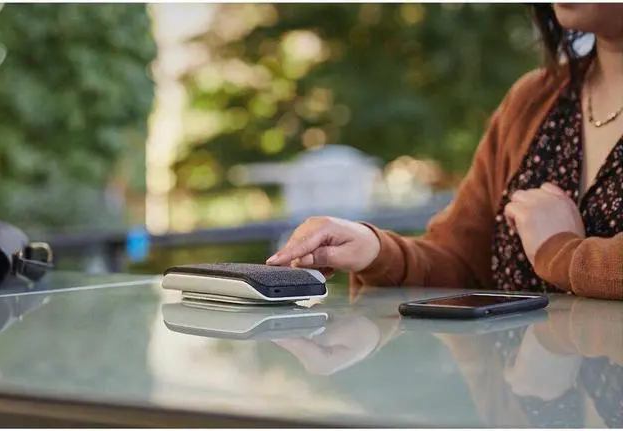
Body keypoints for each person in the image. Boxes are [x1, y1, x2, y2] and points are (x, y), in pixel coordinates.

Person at [266, 4, 623, 301]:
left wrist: (559, 252)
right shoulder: (535, 98)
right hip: (509, 369)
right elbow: (464, 263)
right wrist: (377, 251)